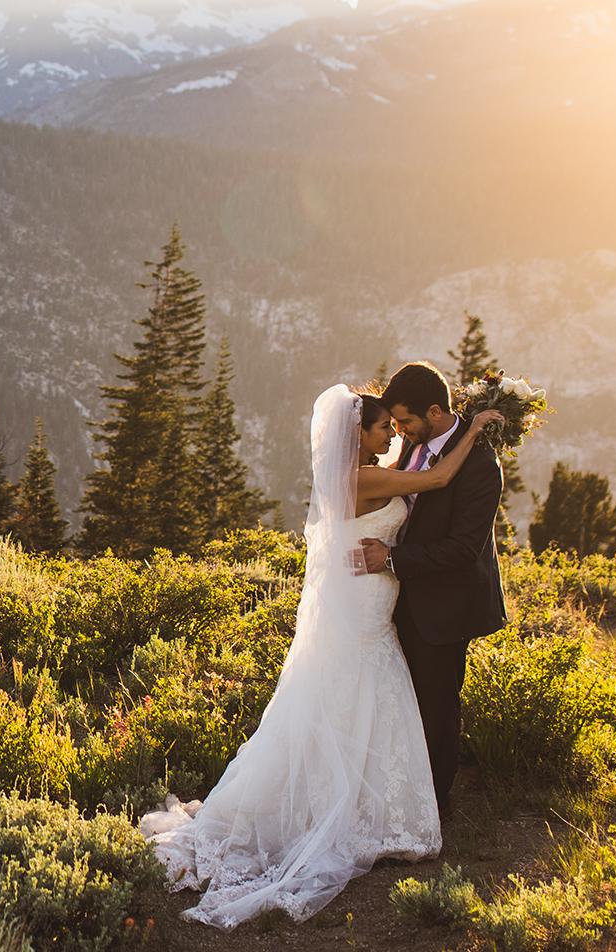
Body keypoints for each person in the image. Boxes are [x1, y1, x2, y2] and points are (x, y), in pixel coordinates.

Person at [140, 383, 499, 927]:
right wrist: (474, 427)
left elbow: (419, 471)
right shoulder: (363, 478)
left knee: (354, 697)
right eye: (384, 427)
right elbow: (439, 477)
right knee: (357, 691)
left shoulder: (363, 471)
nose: (393, 434)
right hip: (363, 607)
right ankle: (345, 809)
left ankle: (357, 802)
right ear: (359, 433)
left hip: (371, 601)